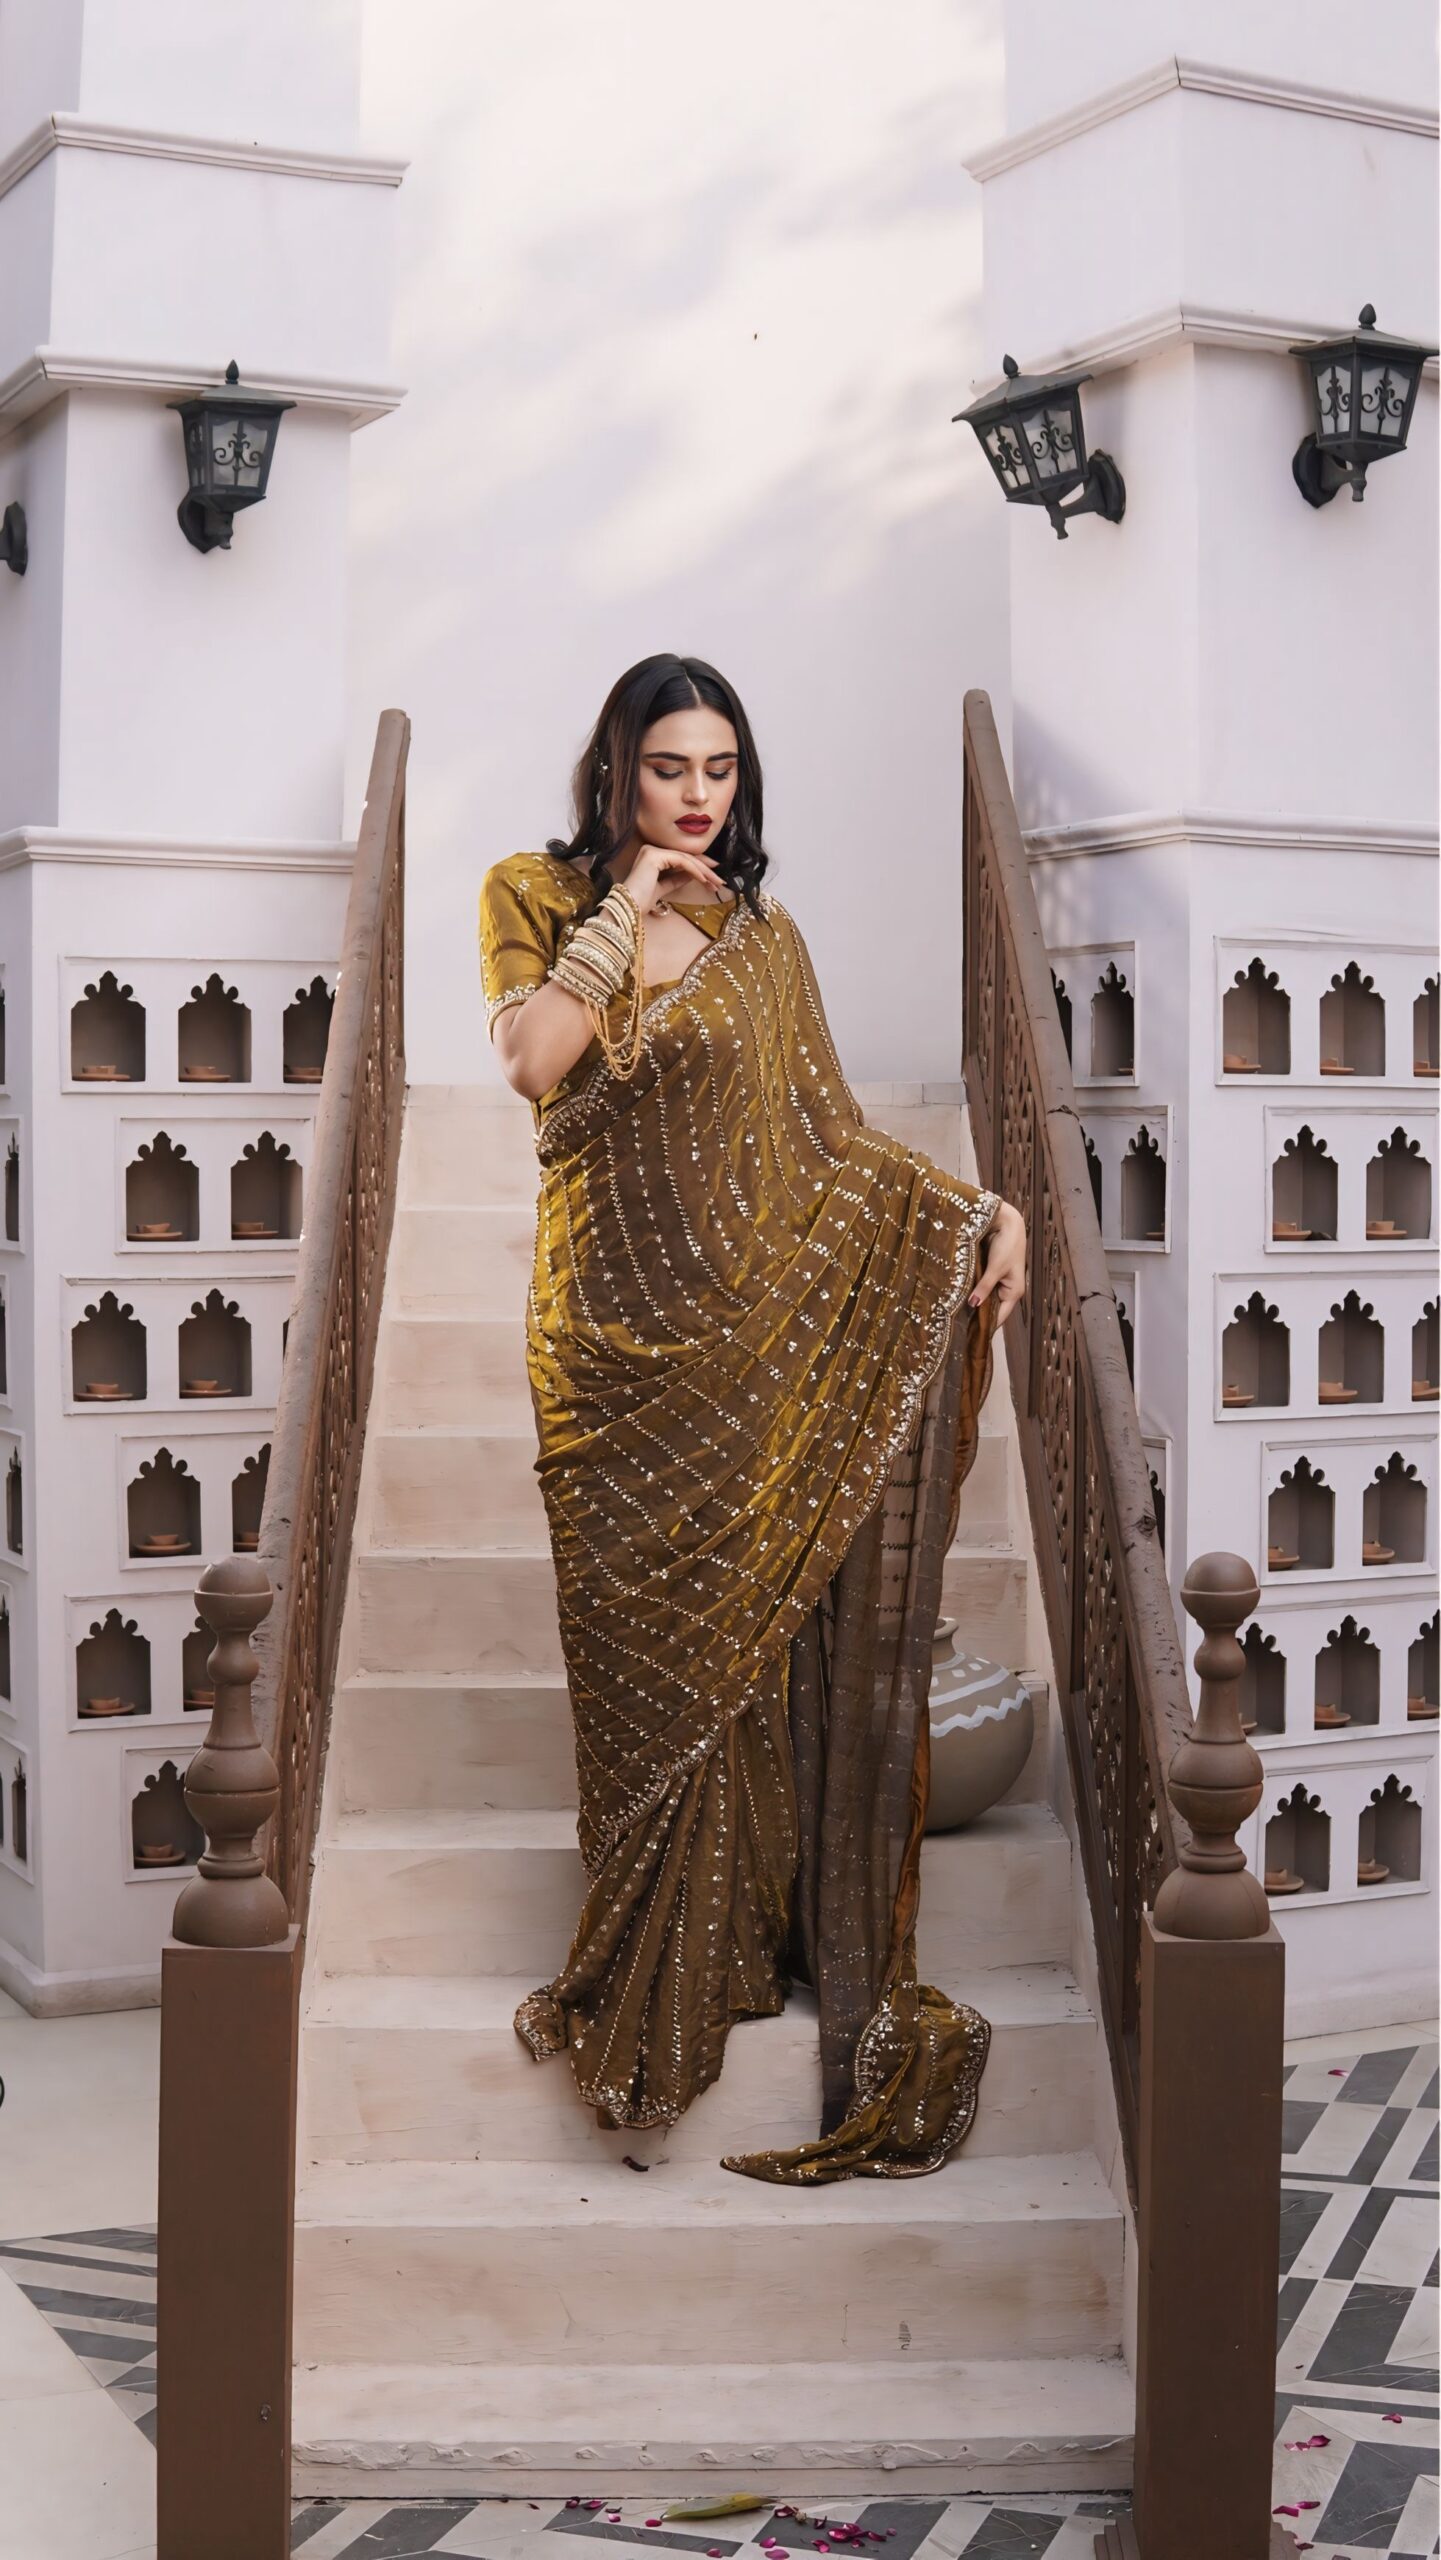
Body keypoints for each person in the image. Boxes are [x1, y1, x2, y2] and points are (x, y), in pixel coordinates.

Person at [479, 652, 1027, 2183]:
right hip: (607, 1356)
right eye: (669, 766)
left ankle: (741, 1929)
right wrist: (624, 902)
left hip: (742, 1348)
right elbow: (531, 1061)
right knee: (635, 1662)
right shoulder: (534, 893)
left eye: (719, 769)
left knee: (746, 1652)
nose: (697, 794)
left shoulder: (763, 938)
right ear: (617, 770)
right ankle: (644, 1933)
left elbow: (828, 1139)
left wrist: (976, 1209)